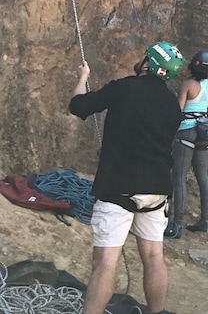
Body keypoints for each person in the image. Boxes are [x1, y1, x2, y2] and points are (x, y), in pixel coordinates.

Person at [68, 41, 185, 314]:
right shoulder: (172, 104)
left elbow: (78, 106)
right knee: (154, 256)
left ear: (148, 64)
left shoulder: (124, 88)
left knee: (106, 263)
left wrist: (83, 77)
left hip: (119, 189)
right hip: (156, 191)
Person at [167, 50, 208, 238]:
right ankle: (204, 221)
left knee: (179, 177)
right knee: (203, 178)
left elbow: (177, 110)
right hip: (203, 134)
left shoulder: (187, 85)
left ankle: (176, 224)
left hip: (186, 132)